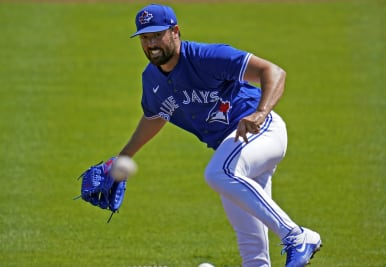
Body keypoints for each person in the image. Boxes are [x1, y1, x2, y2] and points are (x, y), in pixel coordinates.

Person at [120, 4, 322, 267]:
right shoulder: (151, 79)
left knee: (219, 173)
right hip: (234, 150)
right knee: (253, 252)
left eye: (157, 35)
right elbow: (155, 116)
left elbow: (273, 71)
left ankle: (297, 236)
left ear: (175, 32)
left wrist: (260, 113)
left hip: (262, 132)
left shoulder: (207, 57)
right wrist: (121, 158)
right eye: (145, 38)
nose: (151, 44)